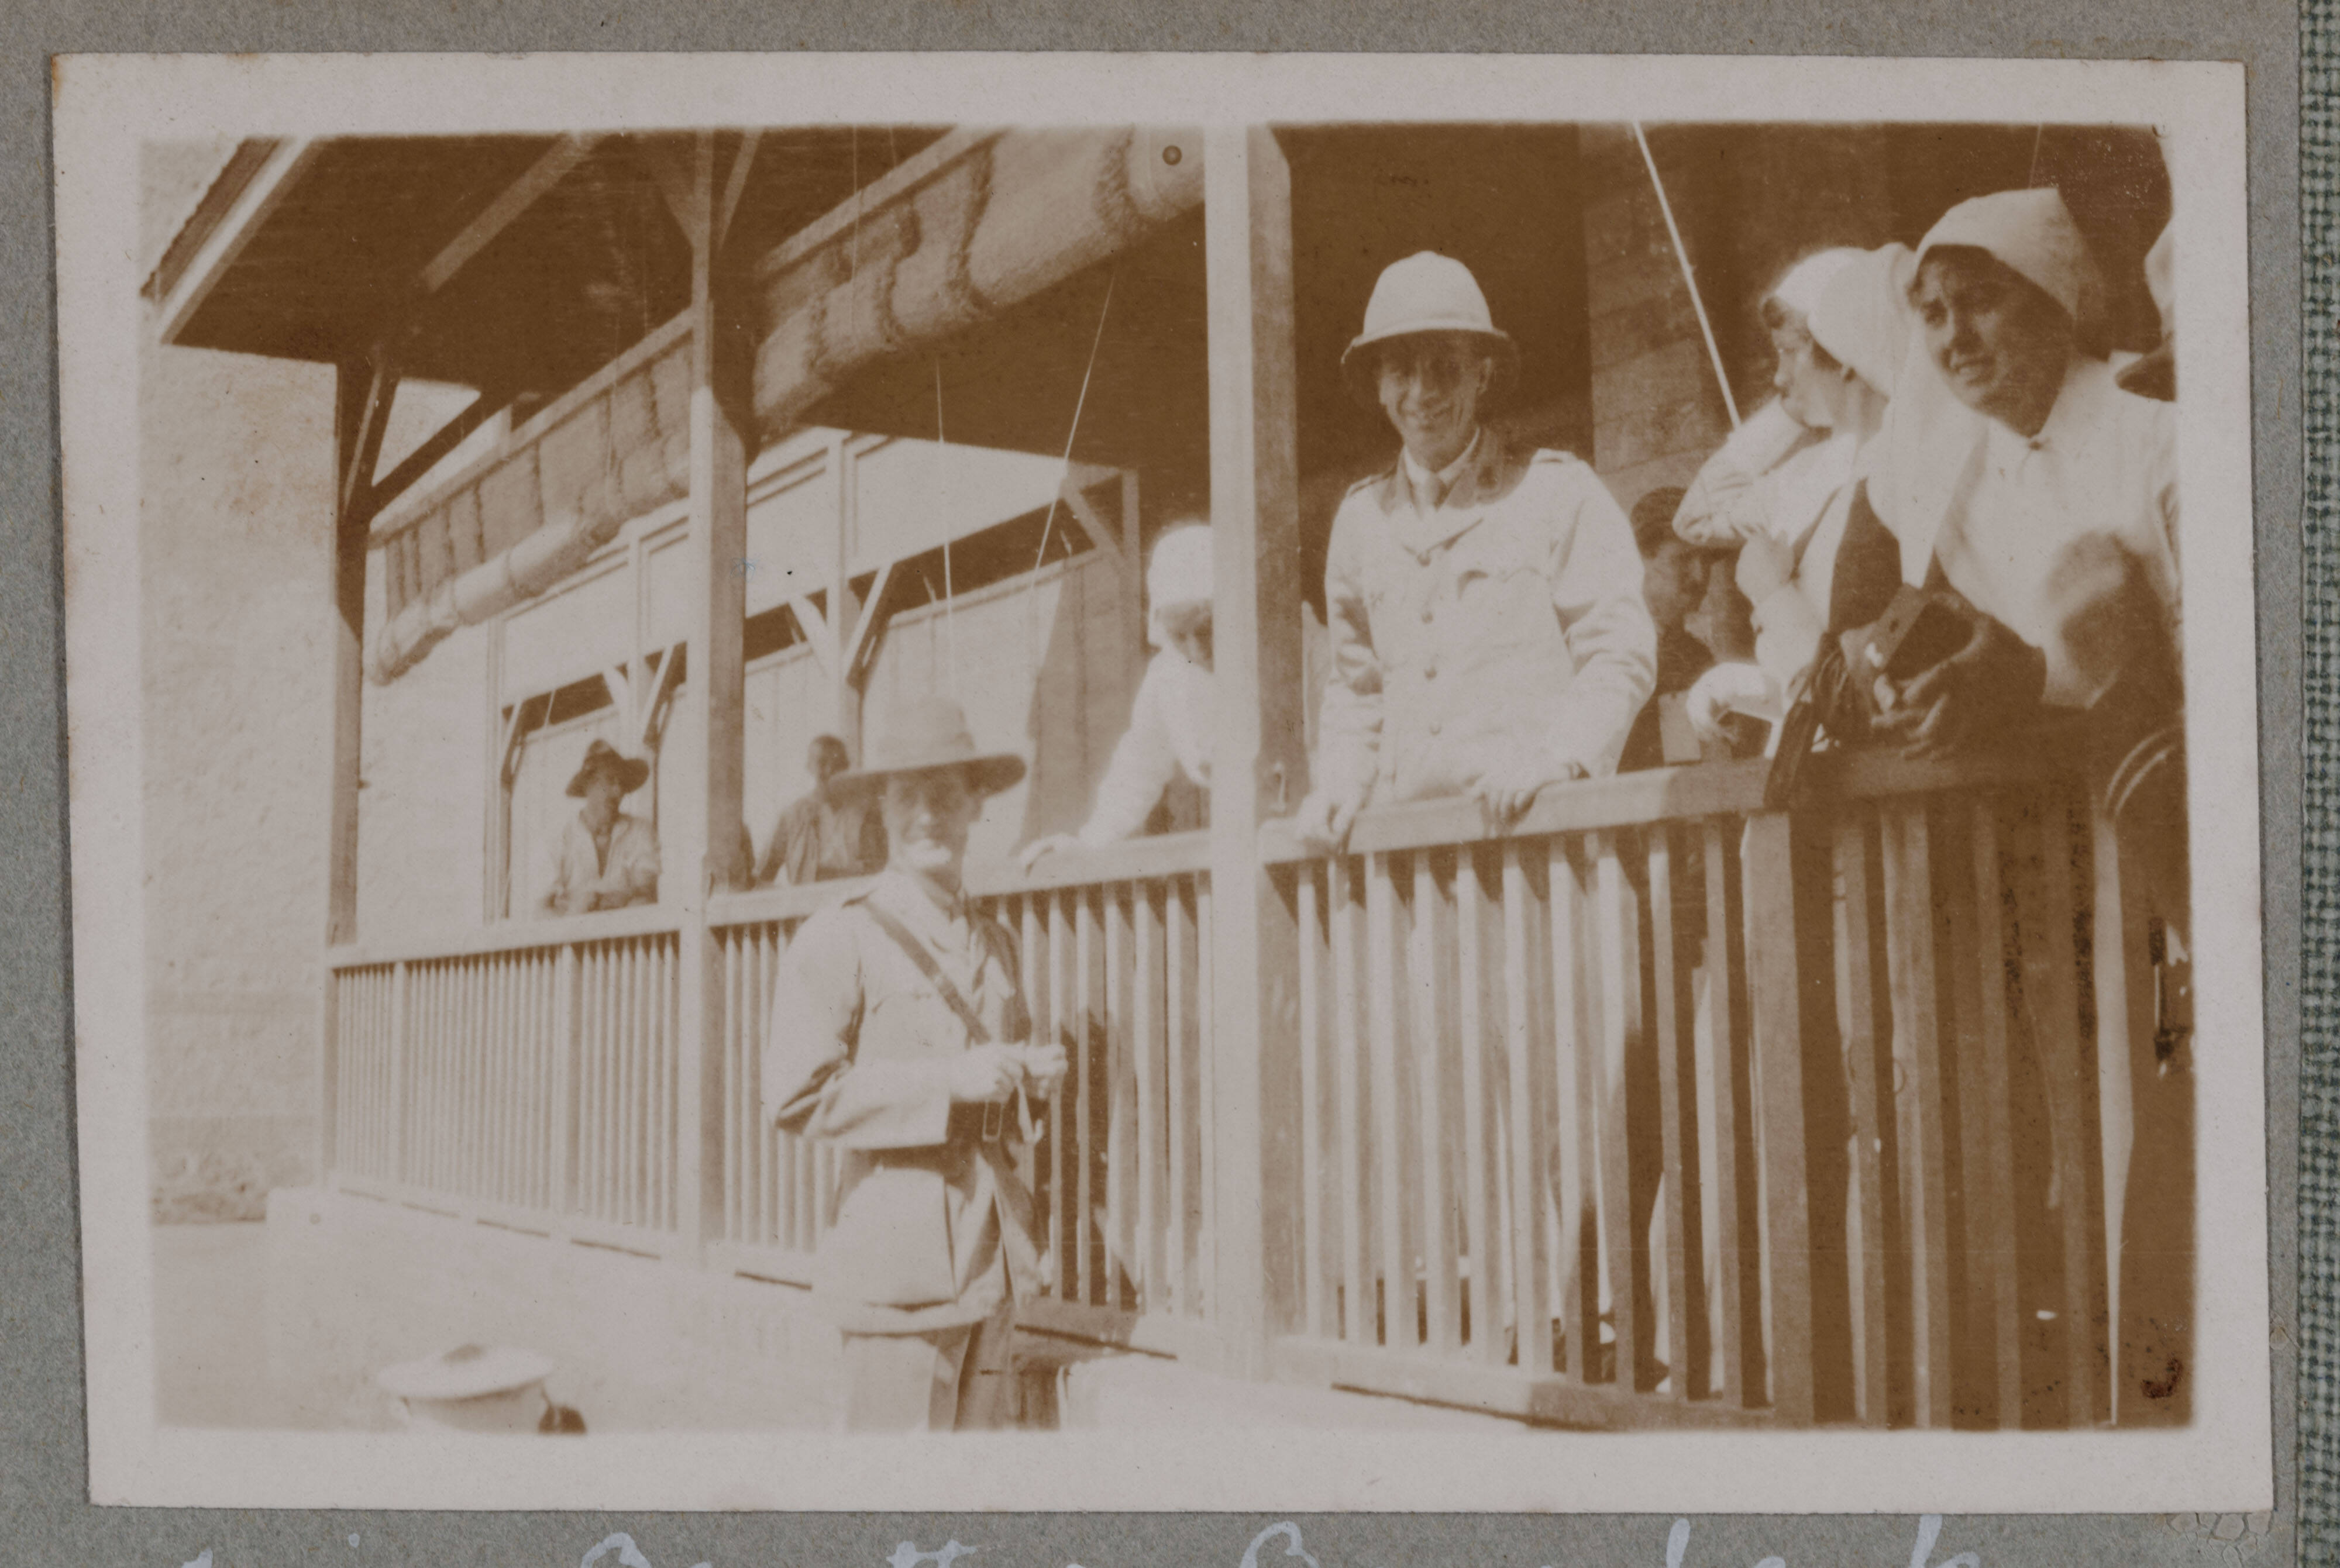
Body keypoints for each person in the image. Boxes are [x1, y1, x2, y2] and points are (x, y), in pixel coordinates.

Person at [760, 695, 1069, 1432]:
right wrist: (947, 1081)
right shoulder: (840, 938)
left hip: (993, 1272)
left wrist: (1028, 1080)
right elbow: (796, 1096)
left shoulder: (995, 942)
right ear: (881, 810)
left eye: (947, 794)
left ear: (976, 808)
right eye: (907, 796)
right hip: (897, 1286)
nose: (927, 813)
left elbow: (993, 1105)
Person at [1292, 251, 1656, 849]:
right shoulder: (1361, 520)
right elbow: (1357, 690)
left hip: (1538, 845)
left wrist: (1559, 757)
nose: (1421, 392)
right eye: (1400, 370)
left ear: (1481, 376)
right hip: (1412, 863)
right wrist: (1337, 780)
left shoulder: (1555, 491)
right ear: (1378, 385)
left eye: (1445, 368)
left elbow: (1619, 650)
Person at [1020, 523, 1216, 870]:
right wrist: (1089, 842)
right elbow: (1140, 766)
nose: (1196, 649)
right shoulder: (1167, 678)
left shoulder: (1293, 645)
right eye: (1179, 635)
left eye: (1205, 630)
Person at [542, 739, 660, 915]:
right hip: (570, 937)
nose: (618, 791)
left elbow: (646, 894)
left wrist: (595, 900)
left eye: (622, 784)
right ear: (588, 784)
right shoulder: (561, 836)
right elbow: (543, 908)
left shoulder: (640, 831)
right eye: (610, 781)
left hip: (628, 937)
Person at [755, 733, 885, 887]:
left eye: (838, 764)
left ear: (847, 766)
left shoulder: (867, 814)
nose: (830, 771)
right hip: (807, 904)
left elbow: (880, 871)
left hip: (855, 901)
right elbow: (763, 874)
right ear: (809, 767)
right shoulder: (792, 816)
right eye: (822, 763)